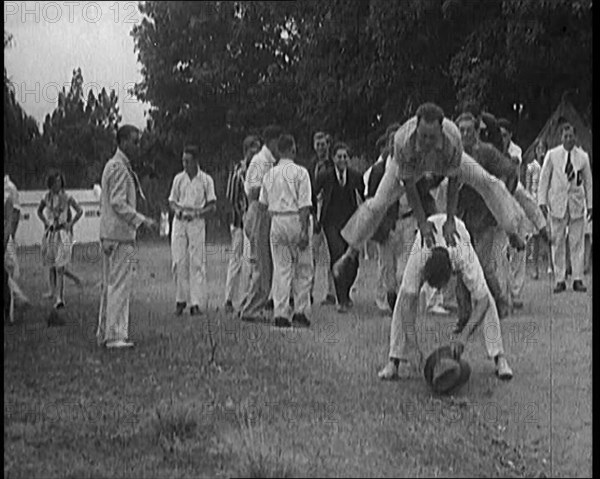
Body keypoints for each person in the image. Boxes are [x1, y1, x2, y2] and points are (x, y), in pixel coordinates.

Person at [337, 102, 531, 278]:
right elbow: (410, 187)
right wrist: (422, 222)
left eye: (432, 137)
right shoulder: (402, 141)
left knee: (489, 182)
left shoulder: (453, 138)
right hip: (410, 167)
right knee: (378, 203)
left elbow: (454, 181)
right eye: (423, 137)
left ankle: (512, 229)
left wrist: (450, 220)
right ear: (416, 128)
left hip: (443, 163)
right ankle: (351, 251)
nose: (427, 142)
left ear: (441, 130)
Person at [378, 213, 514, 381]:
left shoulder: (463, 256)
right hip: (428, 231)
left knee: (487, 299)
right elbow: (407, 303)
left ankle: (500, 358)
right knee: (403, 300)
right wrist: (413, 347)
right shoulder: (419, 255)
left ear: (452, 274)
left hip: (457, 232)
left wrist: (463, 337)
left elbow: (482, 301)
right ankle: (394, 360)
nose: (440, 291)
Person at [454, 112, 518, 325]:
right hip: (461, 216)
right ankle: (464, 314)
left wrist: (503, 200)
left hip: (484, 216)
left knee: (482, 264)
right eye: (461, 131)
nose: (465, 135)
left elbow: (511, 172)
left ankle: (500, 302)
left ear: (477, 131)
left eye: (469, 131)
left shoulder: (487, 152)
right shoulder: (453, 153)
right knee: (461, 264)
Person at [96, 125, 156, 349]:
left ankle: (106, 331)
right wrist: (142, 220)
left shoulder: (115, 166)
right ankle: (115, 335)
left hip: (111, 235)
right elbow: (118, 202)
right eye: (134, 141)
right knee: (120, 284)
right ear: (122, 142)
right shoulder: (119, 168)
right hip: (120, 236)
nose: (137, 146)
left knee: (110, 284)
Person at [258, 133, 313, 328]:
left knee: (281, 268)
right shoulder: (301, 173)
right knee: (303, 268)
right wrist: (305, 230)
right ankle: (300, 311)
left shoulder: (269, 174)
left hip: (277, 220)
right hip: (295, 218)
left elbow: (262, 205)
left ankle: (280, 312)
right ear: (292, 149)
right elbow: (305, 204)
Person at [538, 122, 593, 293]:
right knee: (558, 240)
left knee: (577, 241)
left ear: (575, 137)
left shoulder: (582, 157)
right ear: (561, 137)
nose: (568, 139)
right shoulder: (552, 155)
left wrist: (590, 205)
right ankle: (560, 278)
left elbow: (588, 183)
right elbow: (544, 179)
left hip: (576, 202)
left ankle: (577, 278)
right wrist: (542, 201)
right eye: (565, 136)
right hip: (557, 202)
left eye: (571, 136)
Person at [315, 142, 364, 313]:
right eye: (339, 156)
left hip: (351, 222)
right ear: (333, 158)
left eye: (345, 156)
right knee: (337, 256)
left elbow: (364, 199)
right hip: (331, 223)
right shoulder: (325, 176)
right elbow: (314, 195)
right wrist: (316, 218)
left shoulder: (356, 176)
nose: (342, 160)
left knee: (353, 261)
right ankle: (340, 298)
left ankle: (346, 291)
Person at [240, 125, 283, 321]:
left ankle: (251, 305)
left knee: (266, 265)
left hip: (266, 212)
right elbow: (253, 192)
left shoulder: (271, 161)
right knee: (262, 265)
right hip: (258, 212)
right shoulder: (259, 161)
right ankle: (250, 309)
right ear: (271, 141)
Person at [168, 145, 217, 316]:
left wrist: (197, 213)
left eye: (188, 161)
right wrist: (179, 211)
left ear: (196, 161)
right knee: (179, 261)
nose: (185, 164)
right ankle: (180, 299)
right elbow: (172, 201)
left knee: (197, 262)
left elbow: (212, 205)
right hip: (180, 221)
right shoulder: (178, 179)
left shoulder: (206, 180)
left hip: (196, 221)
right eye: (183, 161)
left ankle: (196, 302)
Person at [223, 135, 260, 314]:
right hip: (239, 222)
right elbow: (231, 197)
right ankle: (229, 298)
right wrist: (243, 215)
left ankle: (245, 298)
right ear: (246, 151)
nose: (256, 153)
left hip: (254, 221)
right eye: (253, 149)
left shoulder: (259, 170)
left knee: (250, 260)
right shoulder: (238, 171)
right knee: (236, 260)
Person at [37, 172, 83, 310]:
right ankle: (52, 291)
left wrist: (71, 223)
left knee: (60, 266)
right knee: (51, 264)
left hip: (63, 233)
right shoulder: (46, 197)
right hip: (51, 233)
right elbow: (39, 211)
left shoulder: (67, 197)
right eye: (55, 182)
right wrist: (45, 221)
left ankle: (60, 298)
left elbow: (80, 211)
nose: (58, 184)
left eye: (59, 182)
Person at [498, 118, 526, 309]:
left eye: (505, 135)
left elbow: (513, 168)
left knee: (518, 246)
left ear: (510, 136)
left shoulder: (515, 150)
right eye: (499, 135)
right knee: (499, 249)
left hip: (514, 191)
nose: (502, 138)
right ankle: (501, 292)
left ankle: (515, 292)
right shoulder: (491, 147)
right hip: (497, 194)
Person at [307, 131, 337, 305]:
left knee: (332, 255)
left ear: (328, 145)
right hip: (313, 214)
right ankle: (308, 291)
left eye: (323, 144)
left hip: (330, 214)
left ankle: (332, 292)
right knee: (311, 255)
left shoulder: (333, 165)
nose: (320, 148)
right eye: (317, 144)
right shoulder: (311, 166)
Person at [526, 140, 545, 279]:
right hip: (534, 200)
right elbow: (527, 187)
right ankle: (534, 266)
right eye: (538, 148)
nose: (541, 150)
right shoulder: (531, 167)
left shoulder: (548, 164)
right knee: (535, 236)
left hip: (547, 201)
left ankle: (554, 266)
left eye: (543, 148)